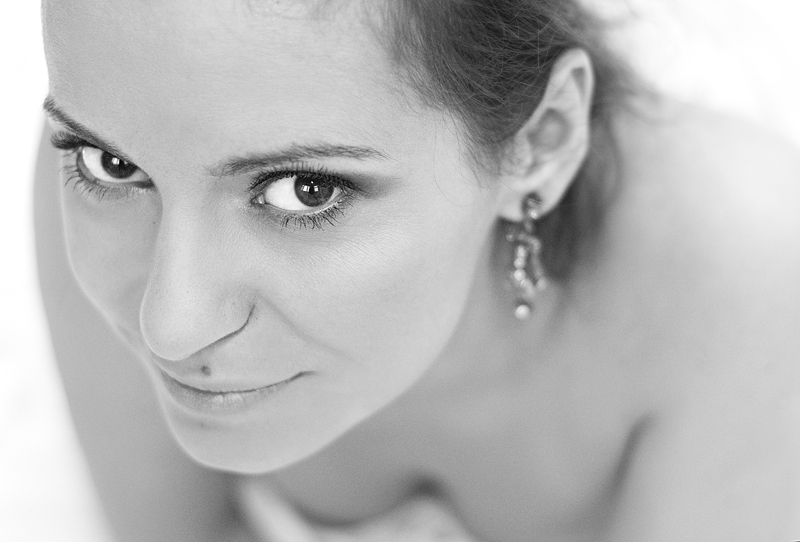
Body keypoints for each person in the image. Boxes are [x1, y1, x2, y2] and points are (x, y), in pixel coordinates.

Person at [33, 0, 800, 540]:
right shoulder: (130, 116)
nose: (170, 325)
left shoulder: (742, 277)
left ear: (541, 140)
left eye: (306, 191)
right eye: (110, 165)